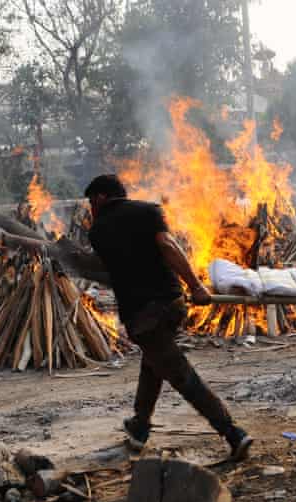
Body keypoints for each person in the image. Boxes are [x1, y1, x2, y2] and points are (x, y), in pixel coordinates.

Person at [85, 174, 253, 461]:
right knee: (153, 363)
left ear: (101, 198)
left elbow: (114, 266)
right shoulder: (149, 211)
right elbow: (167, 246)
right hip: (173, 304)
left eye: (91, 202)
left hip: (142, 316)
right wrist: (195, 287)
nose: (91, 208)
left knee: (180, 374)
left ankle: (232, 433)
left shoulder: (97, 231)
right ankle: (140, 426)